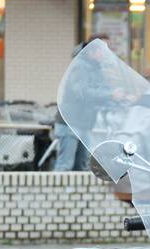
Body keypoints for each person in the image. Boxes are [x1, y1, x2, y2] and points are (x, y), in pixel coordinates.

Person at [54, 34, 110, 172]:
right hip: (70, 123)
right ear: (91, 51)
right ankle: (57, 193)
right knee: (65, 166)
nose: (107, 52)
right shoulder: (80, 66)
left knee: (83, 166)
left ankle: (76, 194)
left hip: (84, 123)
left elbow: (102, 90)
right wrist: (110, 94)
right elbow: (82, 92)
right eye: (103, 48)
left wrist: (117, 97)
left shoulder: (96, 68)